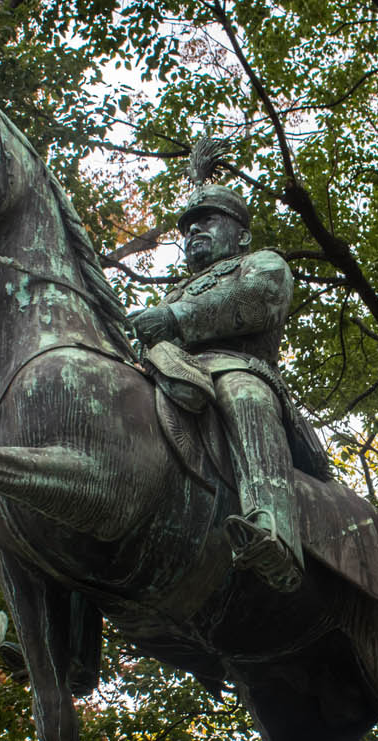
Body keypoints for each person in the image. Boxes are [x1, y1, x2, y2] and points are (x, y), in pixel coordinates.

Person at [129, 183, 305, 592]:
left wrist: (174, 317)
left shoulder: (262, 262)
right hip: (171, 374)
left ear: (241, 235)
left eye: (207, 221)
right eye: (188, 228)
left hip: (236, 367)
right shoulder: (175, 291)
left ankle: (273, 534)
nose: (193, 232)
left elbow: (260, 298)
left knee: (245, 394)